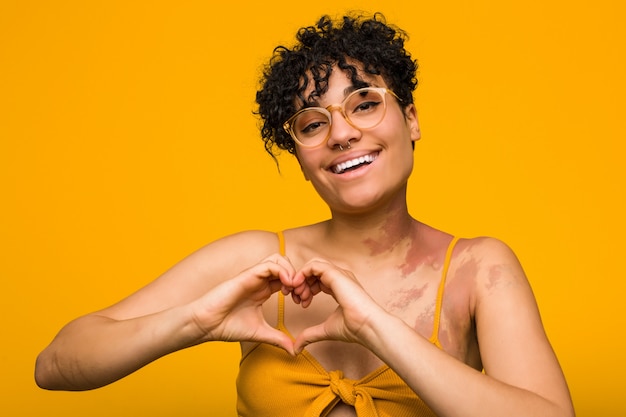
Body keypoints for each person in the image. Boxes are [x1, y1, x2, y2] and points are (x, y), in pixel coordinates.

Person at [35, 13, 575, 417]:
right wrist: (194, 321)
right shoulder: (254, 262)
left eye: (364, 103)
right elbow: (55, 364)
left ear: (410, 119)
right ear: (300, 154)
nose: (341, 132)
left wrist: (374, 328)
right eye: (312, 123)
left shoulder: (479, 269)